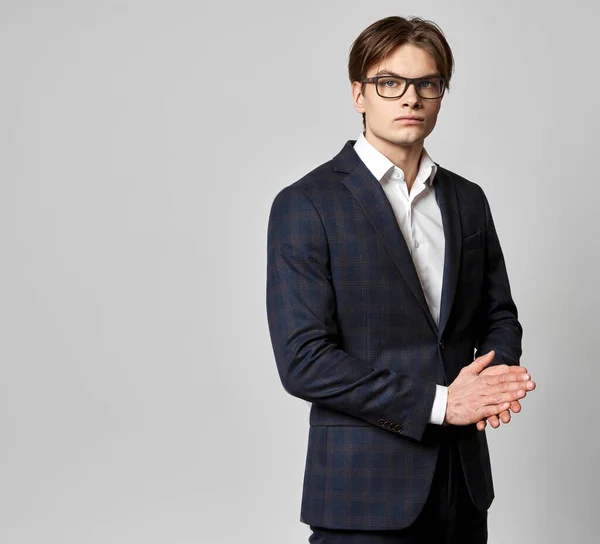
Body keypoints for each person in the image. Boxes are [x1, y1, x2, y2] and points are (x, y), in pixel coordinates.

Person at [266, 15, 536, 543]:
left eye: (427, 84)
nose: (409, 98)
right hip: (362, 494)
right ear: (358, 94)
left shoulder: (467, 199)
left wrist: (491, 383)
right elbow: (304, 361)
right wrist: (442, 403)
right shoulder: (306, 205)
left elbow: (498, 314)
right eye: (390, 83)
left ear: (440, 95)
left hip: (462, 491)